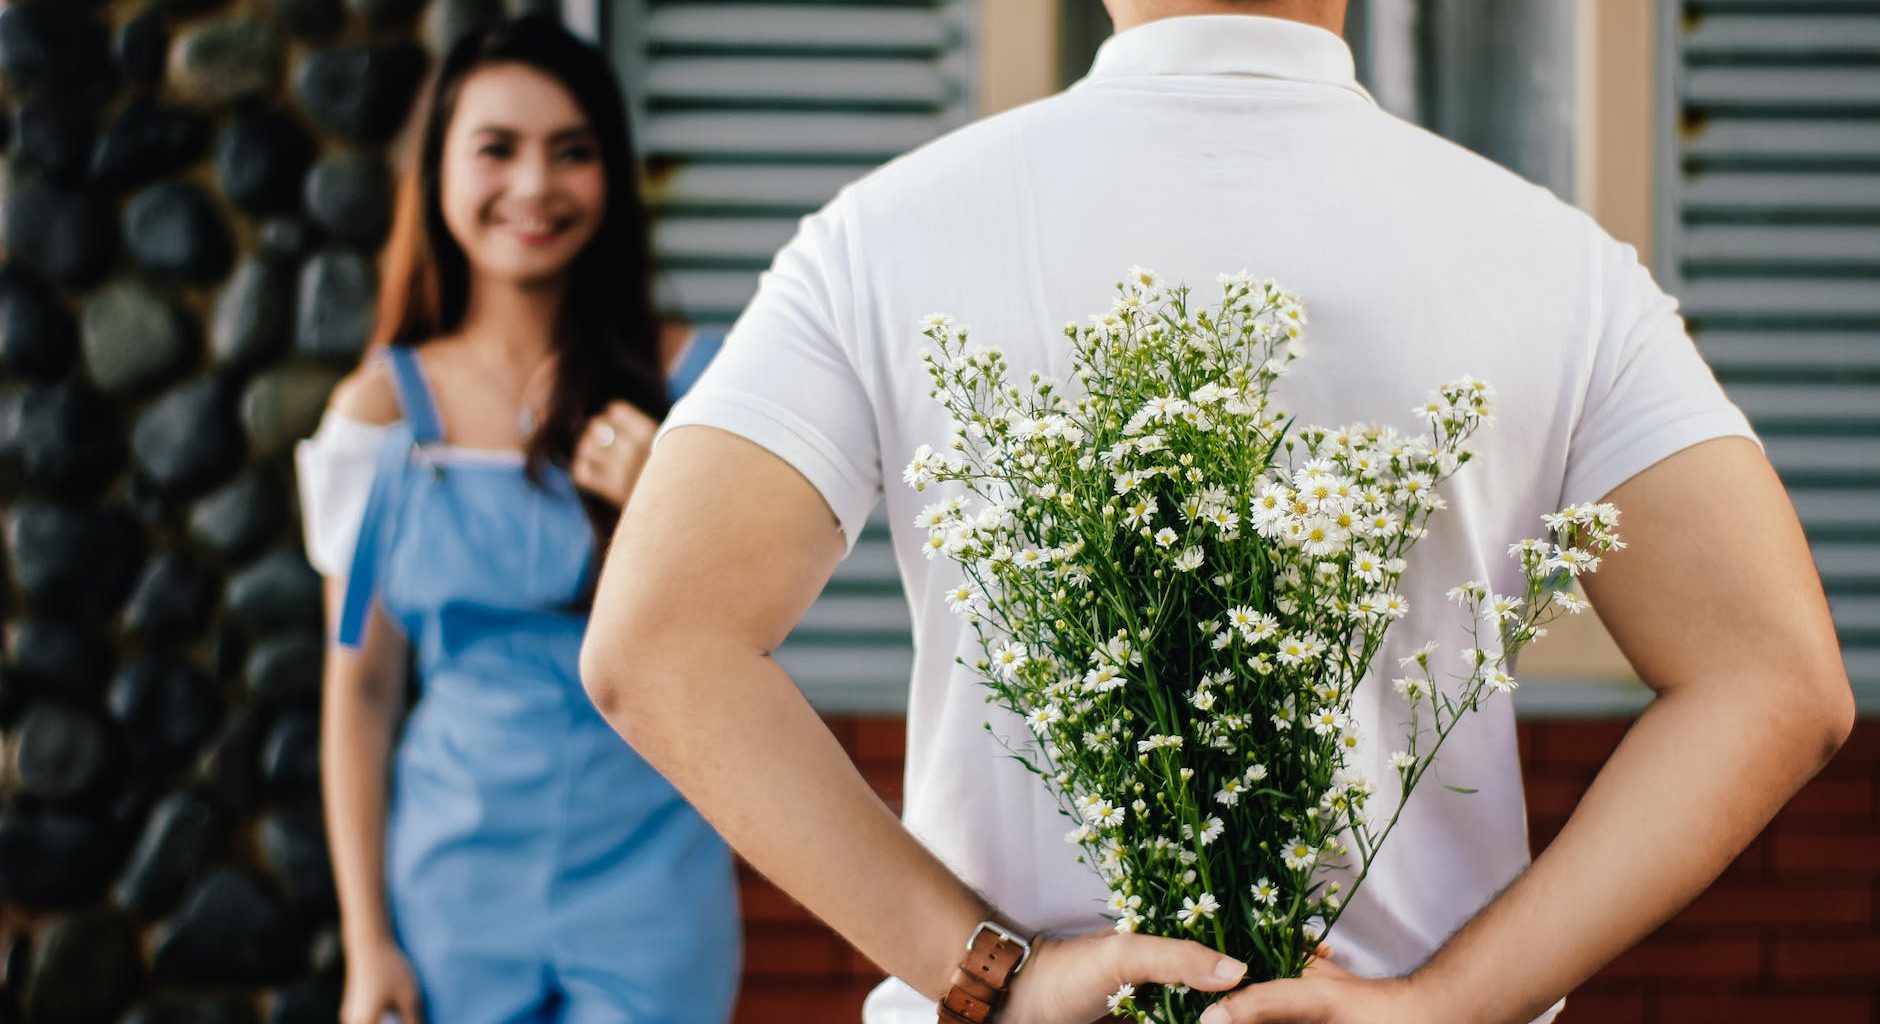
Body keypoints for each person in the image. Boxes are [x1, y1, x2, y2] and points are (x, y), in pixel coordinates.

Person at [578, 2, 1854, 1023]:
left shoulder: (885, 235)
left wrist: (994, 977)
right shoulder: (1558, 263)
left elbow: (655, 644)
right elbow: (1778, 681)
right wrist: (1444, 1005)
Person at [296, 17, 738, 1024]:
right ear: (439, 170)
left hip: (656, 876)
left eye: (571, 152)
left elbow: (747, 638)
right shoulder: (377, 412)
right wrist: (368, 944)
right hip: (451, 887)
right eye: (497, 148)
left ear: (611, 178)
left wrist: (657, 507)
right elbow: (359, 689)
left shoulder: (699, 387)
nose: (533, 185)